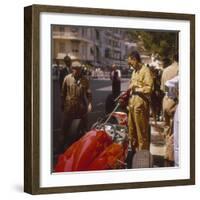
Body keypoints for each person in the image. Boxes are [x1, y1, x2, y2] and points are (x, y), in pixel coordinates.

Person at [60, 60, 92, 149]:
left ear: (81, 70)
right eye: (74, 69)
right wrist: (62, 103)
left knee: (84, 127)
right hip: (69, 106)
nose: (76, 71)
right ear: (71, 69)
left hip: (80, 106)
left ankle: (84, 147)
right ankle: (61, 146)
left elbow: (89, 93)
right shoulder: (67, 78)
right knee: (65, 127)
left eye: (78, 69)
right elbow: (63, 93)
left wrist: (89, 104)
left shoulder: (85, 80)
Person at [127, 51, 153, 153]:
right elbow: (132, 85)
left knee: (141, 133)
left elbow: (149, 88)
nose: (130, 65)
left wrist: (137, 88)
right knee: (132, 132)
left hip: (141, 106)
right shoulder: (134, 71)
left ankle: (143, 157)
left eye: (131, 63)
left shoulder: (145, 71)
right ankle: (134, 154)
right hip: (132, 106)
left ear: (135, 60)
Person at [160, 54, 179, 136]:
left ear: (173, 59)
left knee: (167, 127)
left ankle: (167, 146)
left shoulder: (165, 70)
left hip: (165, 99)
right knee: (175, 129)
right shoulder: (180, 69)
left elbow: (162, 88)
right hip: (175, 101)